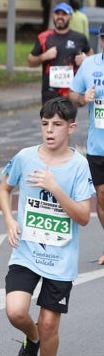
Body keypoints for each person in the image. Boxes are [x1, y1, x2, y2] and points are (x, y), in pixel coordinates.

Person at [0, 97, 94, 356]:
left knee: (50, 322)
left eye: (57, 125)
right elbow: (4, 188)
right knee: (15, 311)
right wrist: (10, 219)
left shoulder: (79, 165)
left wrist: (54, 187)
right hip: (26, 252)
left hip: (60, 257)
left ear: (71, 128)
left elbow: (83, 216)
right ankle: (32, 338)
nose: (49, 131)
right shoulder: (26, 157)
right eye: (44, 124)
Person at [69, 24, 104, 265]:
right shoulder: (90, 65)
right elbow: (72, 94)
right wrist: (83, 98)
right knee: (102, 197)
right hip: (98, 145)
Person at [28, 2, 92, 105]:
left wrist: (85, 59)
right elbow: (31, 62)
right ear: (53, 16)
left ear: (70, 17)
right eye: (57, 14)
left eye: (64, 14)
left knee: (68, 120)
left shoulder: (79, 38)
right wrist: (45, 56)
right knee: (50, 120)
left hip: (72, 92)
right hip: (49, 92)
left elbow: (91, 57)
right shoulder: (44, 37)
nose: (60, 17)